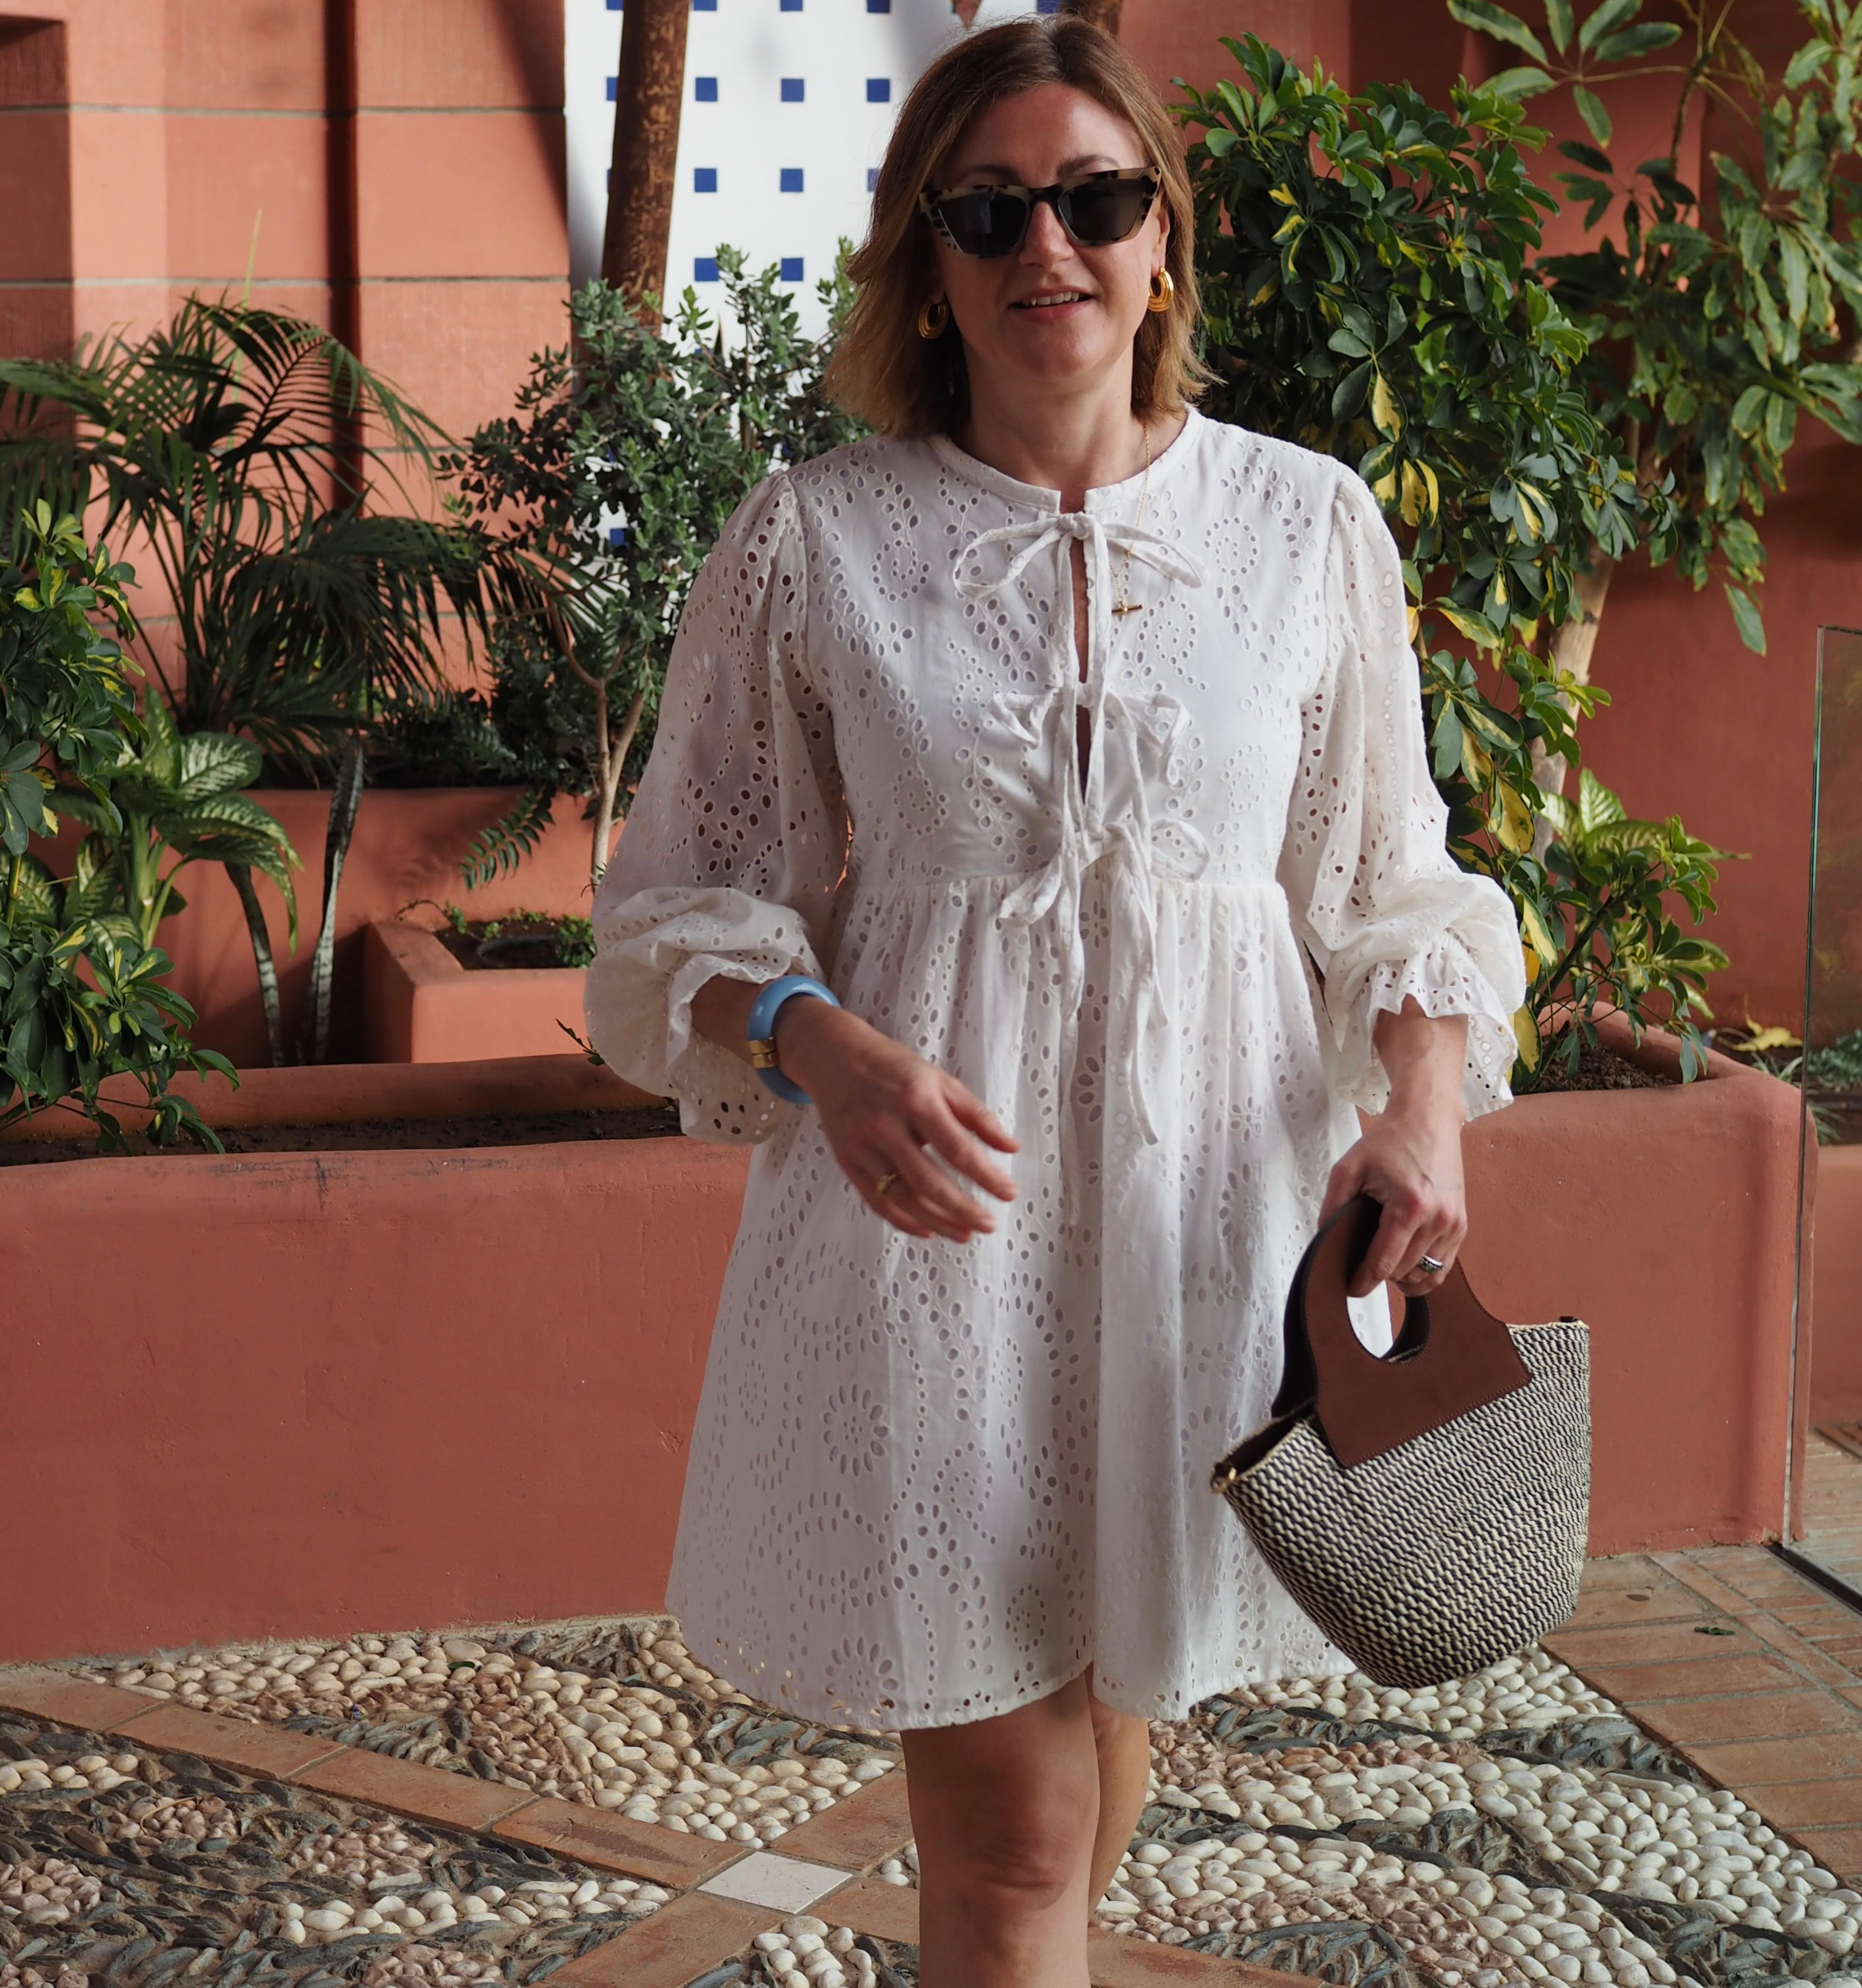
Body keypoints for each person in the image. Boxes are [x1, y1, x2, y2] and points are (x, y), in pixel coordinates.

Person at [584, 18, 1524, 1987]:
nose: (1049, 247)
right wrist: (812, 1043)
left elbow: (1386, 874)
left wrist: (1422, 1108)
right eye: (989, 208)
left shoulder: (1303, 525)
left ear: (1161, 244)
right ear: (925, 261)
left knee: (1099, 1786)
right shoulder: (817, 539)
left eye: (1096, 200)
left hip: (1216, 1241)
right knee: (1009, 1849)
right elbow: (682, 893)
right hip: (939, 1242)